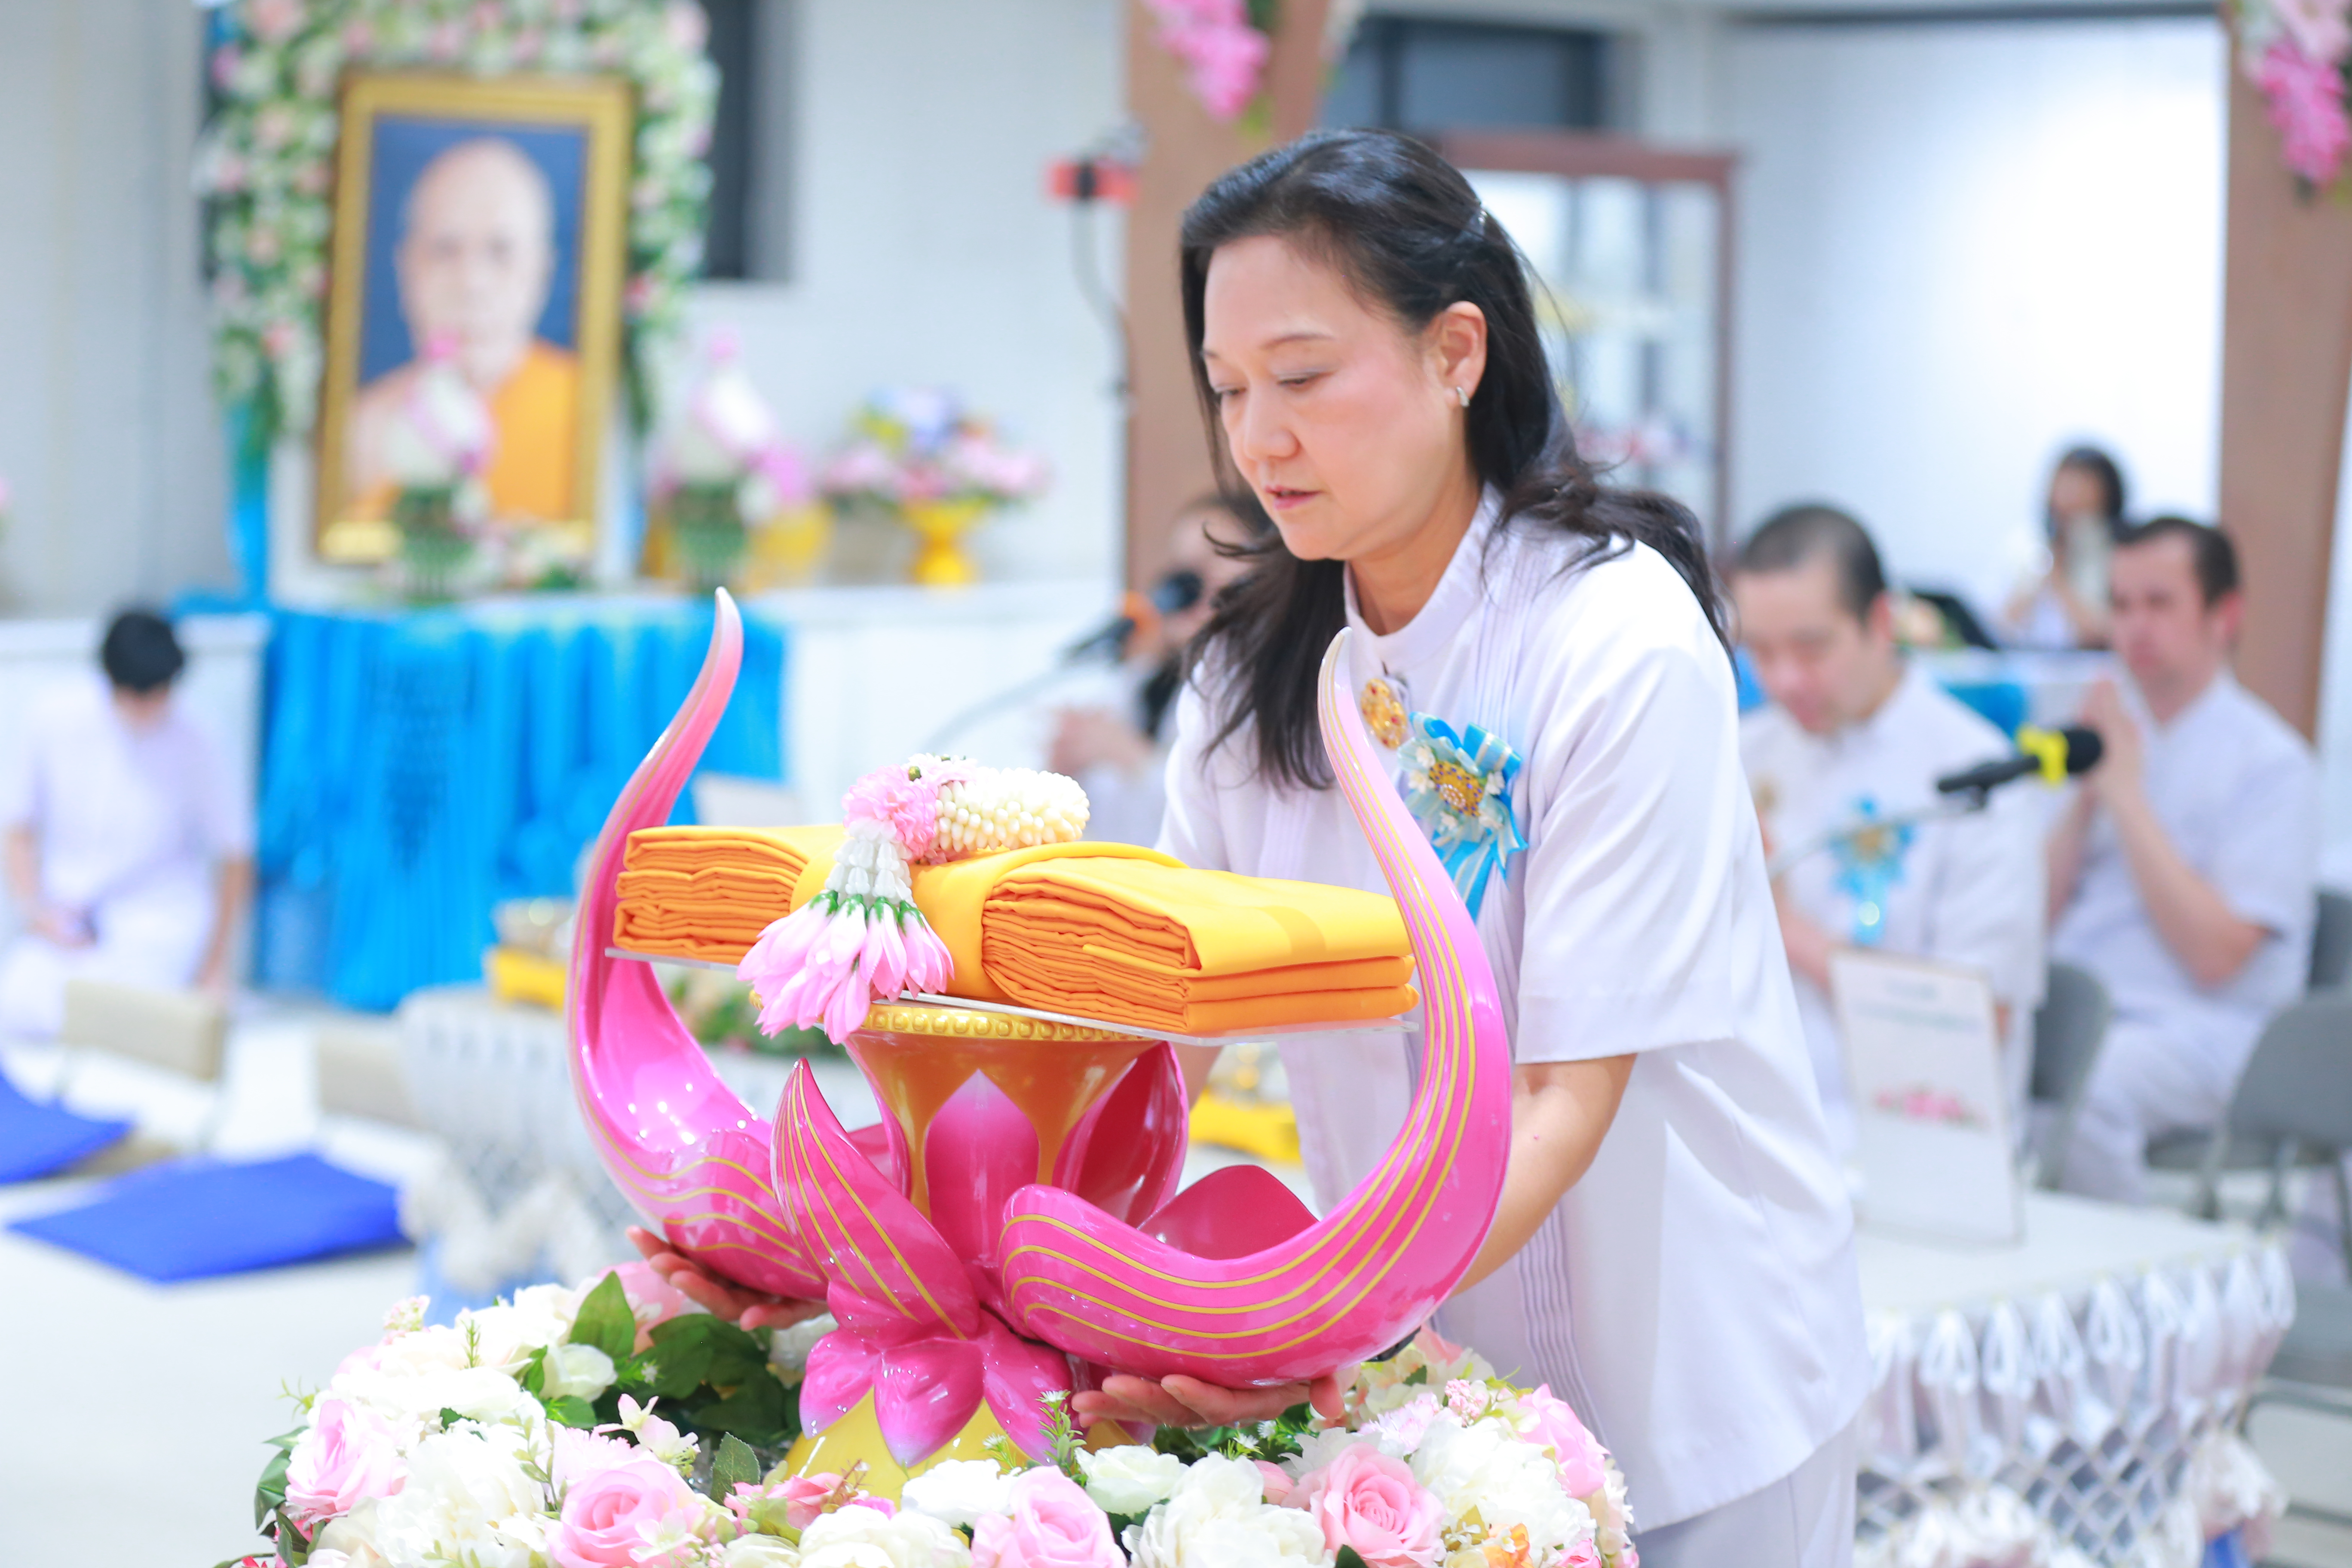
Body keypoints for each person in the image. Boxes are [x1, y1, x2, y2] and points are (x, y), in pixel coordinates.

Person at [636, 130, 1867, 1565]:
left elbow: (1553, 1099)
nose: (1256, 437)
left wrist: (1308, 1326)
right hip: (1409, 1373)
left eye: (1301, 377)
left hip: (1694, 1379)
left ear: (1455, 352)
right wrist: (898, 1268)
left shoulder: (1615, 639)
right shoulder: (1251, 672)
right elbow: (1157, 1062)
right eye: (1227, 389)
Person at [1736, 504, 2046, 1153]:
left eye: (1811, 647)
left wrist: (1792, 931)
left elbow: (1971, 1024)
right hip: (1763, 1119)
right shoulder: (1744, 752)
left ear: (1881, 622)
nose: (1784, 679)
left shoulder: (1972, 773)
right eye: (1760, 652)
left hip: (1915, 1132)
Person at [2049, 518, 2320, 1202]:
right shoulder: (2105, 732)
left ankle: (2124, 1297)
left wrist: (2126, 799)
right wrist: (2085, 802)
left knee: (2095, 1087)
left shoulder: (2272, 765)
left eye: (2160, 603)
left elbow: (2216, 956)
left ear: (2224, 615)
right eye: (2121, 604)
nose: (2135, 626)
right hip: (2084, 1003)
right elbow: (2034, 915)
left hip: (2205, 1029)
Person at [0, 610, 254, 1037]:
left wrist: (215, 966)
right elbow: (17, 825)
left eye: (159, 695)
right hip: (70, 921)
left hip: (159, 921)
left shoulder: (202, 735)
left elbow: (236, 853)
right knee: (20, 1006)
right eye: (137, 697)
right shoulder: (55, 717)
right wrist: (35, 910)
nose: (148, 708)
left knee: (128, 1023)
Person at [347, 137, 579, 524]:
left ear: (543, 271)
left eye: (501, 251)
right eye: (445, 250)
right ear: (407, 269)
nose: (472, 282)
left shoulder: (587, 414)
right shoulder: (361, 430)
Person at [1046, 496, 1250, 845]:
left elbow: (1228, 823)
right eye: (1185, 568)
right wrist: (1061, 776)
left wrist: (1129, 755)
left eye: (1215, 560)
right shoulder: (1145, 680)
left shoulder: (1258, 688)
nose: (1191, 583)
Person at [2003, 445, 2127, 649]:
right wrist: (2043, 573)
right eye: (2066, 485)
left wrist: (2060, 580)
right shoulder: (2027, 543)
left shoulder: (2119, 554)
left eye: (2083, 486)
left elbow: (2099, 635)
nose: (2071, 496)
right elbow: (2001, 626)